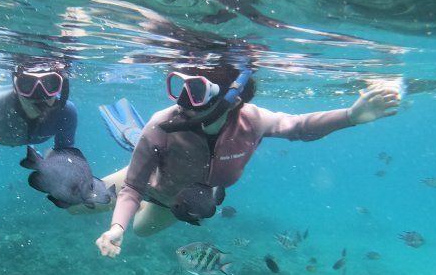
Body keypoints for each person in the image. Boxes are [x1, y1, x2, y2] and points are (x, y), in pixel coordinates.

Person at [95, 60, 401, 258]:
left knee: (142, 231)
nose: (182, 102)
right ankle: (138, 151)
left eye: (196, 91)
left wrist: (352, 116)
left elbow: (300, 127)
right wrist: (115, 228)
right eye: (182, 88)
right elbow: (133, 188)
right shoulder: (162, 122)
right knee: (83, 203)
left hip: (173, 200)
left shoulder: (252, 121)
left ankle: (142, 161)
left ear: (232, 100)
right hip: (148, 181)